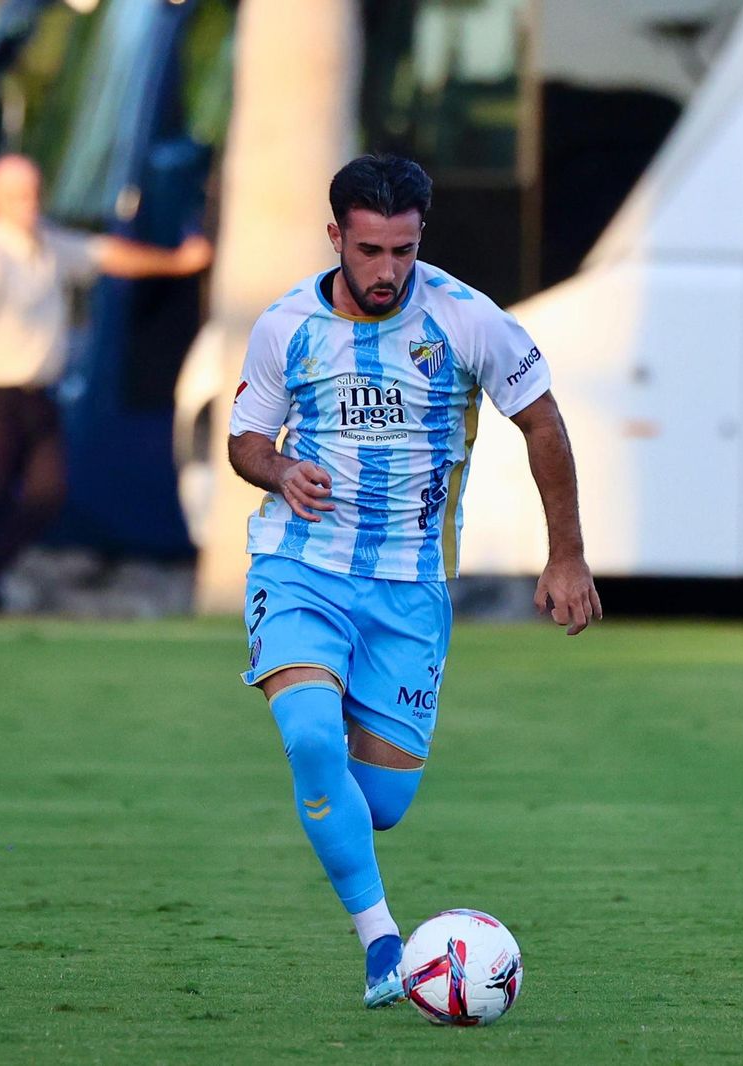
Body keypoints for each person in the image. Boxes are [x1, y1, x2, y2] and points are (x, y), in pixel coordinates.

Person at [227, 154, 601, 1008]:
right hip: (300, 569)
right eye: (369, 251)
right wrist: (279, 469)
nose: (388, 270)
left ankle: (338, 824)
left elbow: (542, 421)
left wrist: (567, 554)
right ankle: (383, 946)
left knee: (381, 805)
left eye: (402, 249)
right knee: (314, 738)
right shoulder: (285, 323)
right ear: (337, 239)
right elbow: (245, 438)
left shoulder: (469, 320)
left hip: (409, 592)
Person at [0, 154, 212, 612]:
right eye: (16, 195)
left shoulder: (47, 244)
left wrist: (178, 264)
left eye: (32, 193)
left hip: (36, 392)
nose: (28, 203)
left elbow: (106, 255)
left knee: (49, 491)